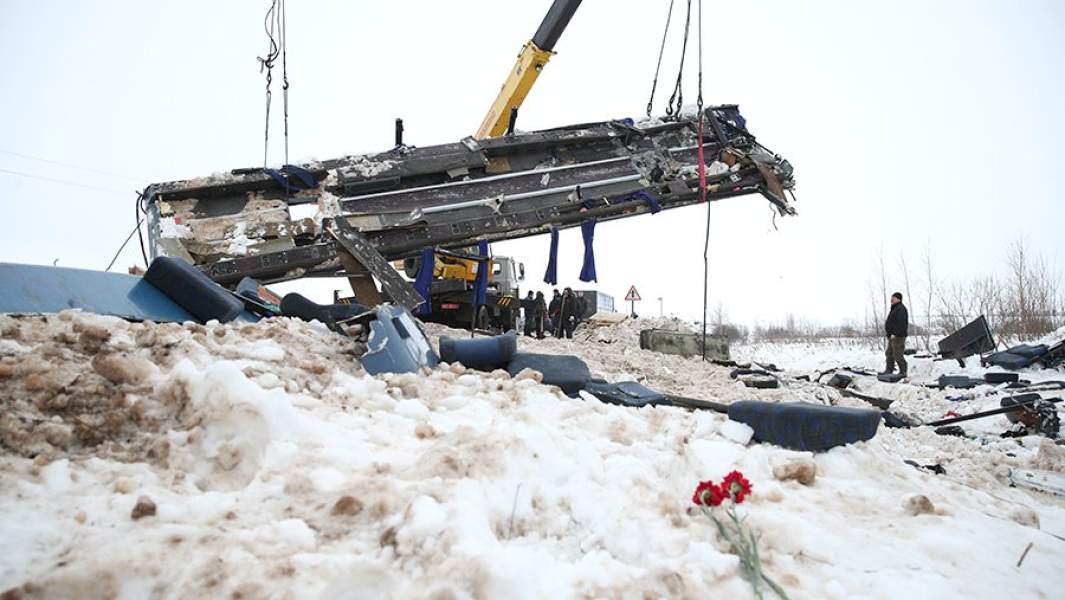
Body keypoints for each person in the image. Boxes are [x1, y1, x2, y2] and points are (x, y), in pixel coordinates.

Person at [883, 292, 909, 376]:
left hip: (898, 336)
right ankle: (888, 370)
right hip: (892, 336)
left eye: (893, 298)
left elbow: (901, 323)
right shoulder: (894, 308)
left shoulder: (901, 309)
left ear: (898, 299)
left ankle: (903, 371)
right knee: (889, 353)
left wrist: (895, 333)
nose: (891, 299)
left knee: (897, 354)